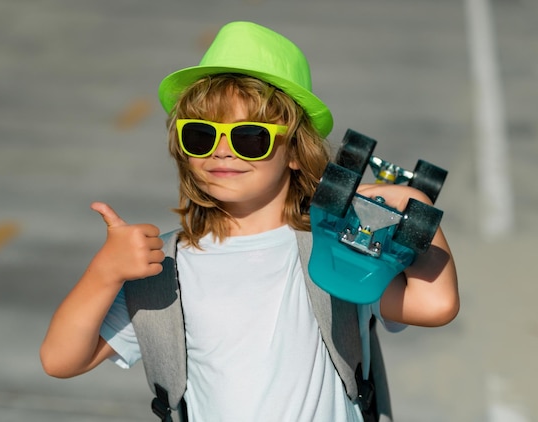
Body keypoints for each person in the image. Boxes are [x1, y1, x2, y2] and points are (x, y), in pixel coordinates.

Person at [40, 21, 459, 422]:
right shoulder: (164, 270)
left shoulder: (335, 248)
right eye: (201, 135)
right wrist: (104, 273)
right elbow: (61, 359)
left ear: (296, 152)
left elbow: (435, 304)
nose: (222, 151)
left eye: (249, 138)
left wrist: (416, 208)